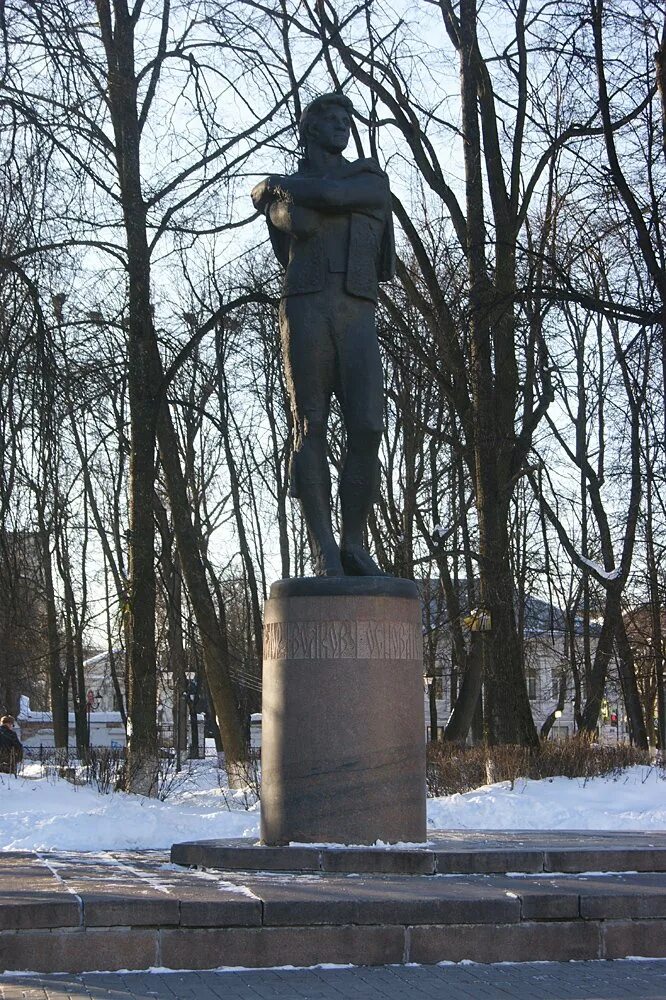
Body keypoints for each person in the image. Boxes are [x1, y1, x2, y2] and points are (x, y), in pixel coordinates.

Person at [251, 92, 395, 577]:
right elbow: (295, 219)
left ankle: (354, 543)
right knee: (308, 425)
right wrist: (275, 199)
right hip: (306, 306)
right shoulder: (284, 198)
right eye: (331, 119)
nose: (342, 126)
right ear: (310, 129)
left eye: (347, 119)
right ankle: (325, 548)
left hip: (357, 310)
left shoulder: (369, 179)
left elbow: (329, 199)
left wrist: (272, 187)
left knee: (369, 426)